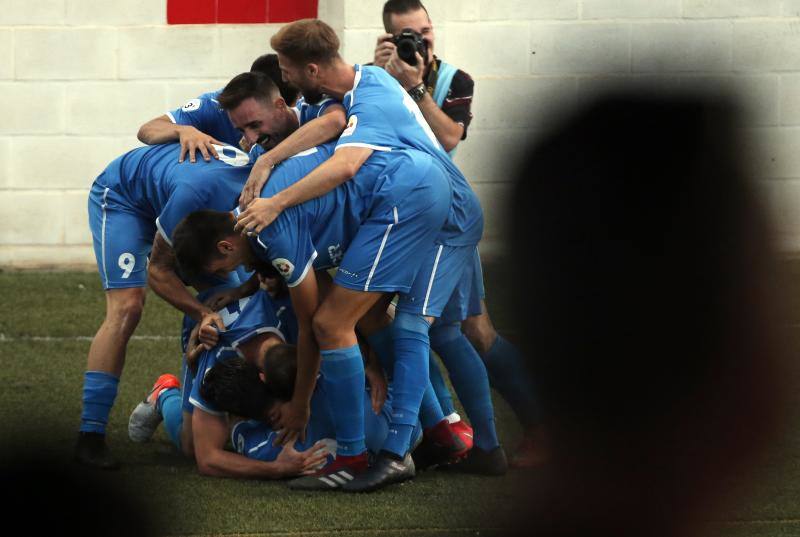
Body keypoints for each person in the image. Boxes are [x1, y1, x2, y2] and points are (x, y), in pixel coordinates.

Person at [375, 0, 544, 466]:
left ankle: (533, 428)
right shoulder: (377, 75)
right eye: (408, 35)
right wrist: (383, 74)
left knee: (470, 330)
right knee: (452, 331)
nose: (420, 41)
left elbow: (449, 137)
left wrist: (415, 87)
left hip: (445, 216)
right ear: (388, 38)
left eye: (425, 31)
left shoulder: (455, 80)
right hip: (411, 215)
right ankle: (470, 438)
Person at [75, 131, 262, 469]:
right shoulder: (194, 193)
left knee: (235, 310)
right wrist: (201, 312)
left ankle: (209, 405)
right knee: (127, 307)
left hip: (191, 214)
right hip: (126, 200)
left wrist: (235, 294)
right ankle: (91, 434)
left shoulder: (263, 182)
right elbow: (159, 271)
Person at [129, 284, 330, 479]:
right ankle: (165, 393)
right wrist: (277, 468)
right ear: (264, 379)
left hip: (243, 308)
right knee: (191, 445)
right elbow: (208, 460)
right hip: (208, 332)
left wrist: (300, 406)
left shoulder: (298, 319)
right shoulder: (215, 358)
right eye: (275, 416)